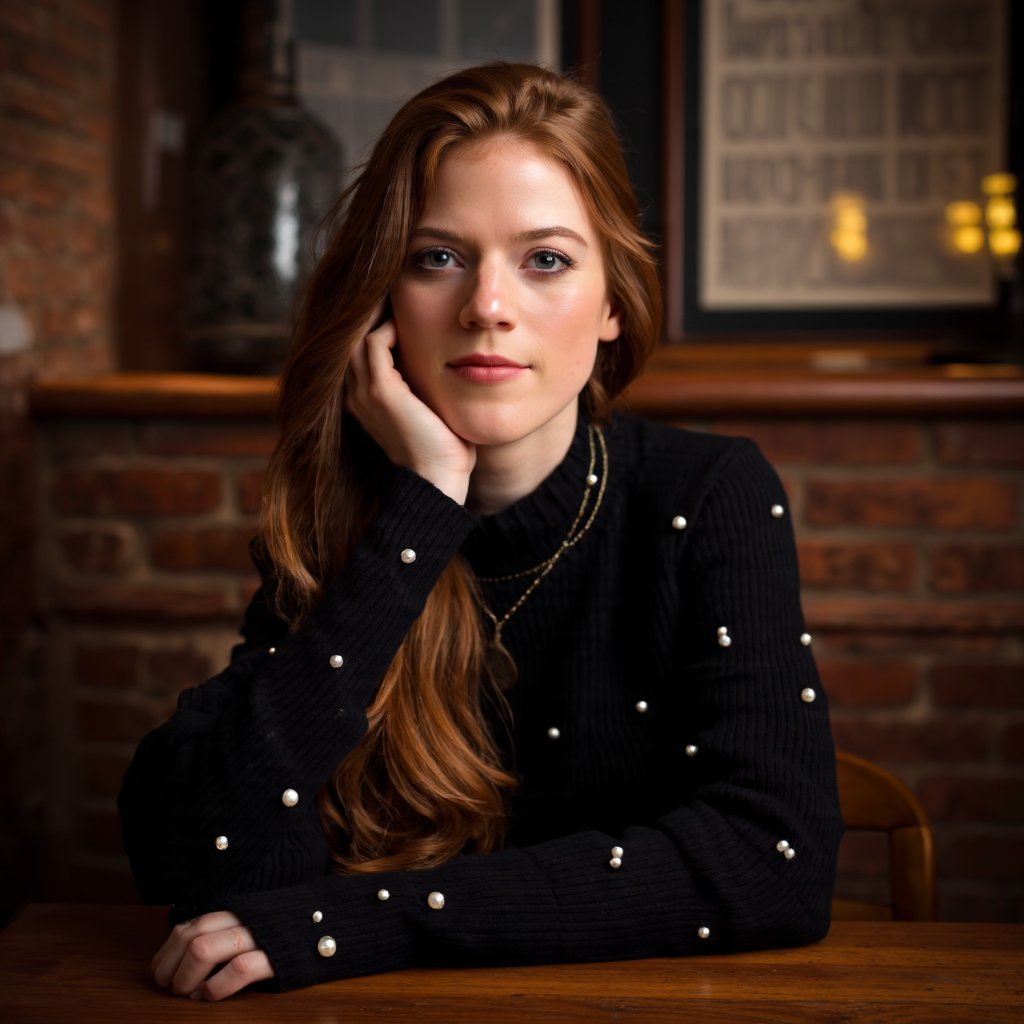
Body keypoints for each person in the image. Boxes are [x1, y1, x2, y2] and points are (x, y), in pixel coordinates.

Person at [119, 61, 843, 1001]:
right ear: (382, 303)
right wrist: (422, 510)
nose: (486, 307)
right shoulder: (349, 514)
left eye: (545, 259)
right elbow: (206, 853)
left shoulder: (707, 495)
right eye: (437, 257)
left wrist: (367, 923)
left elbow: (772, 862)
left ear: (614, 303)